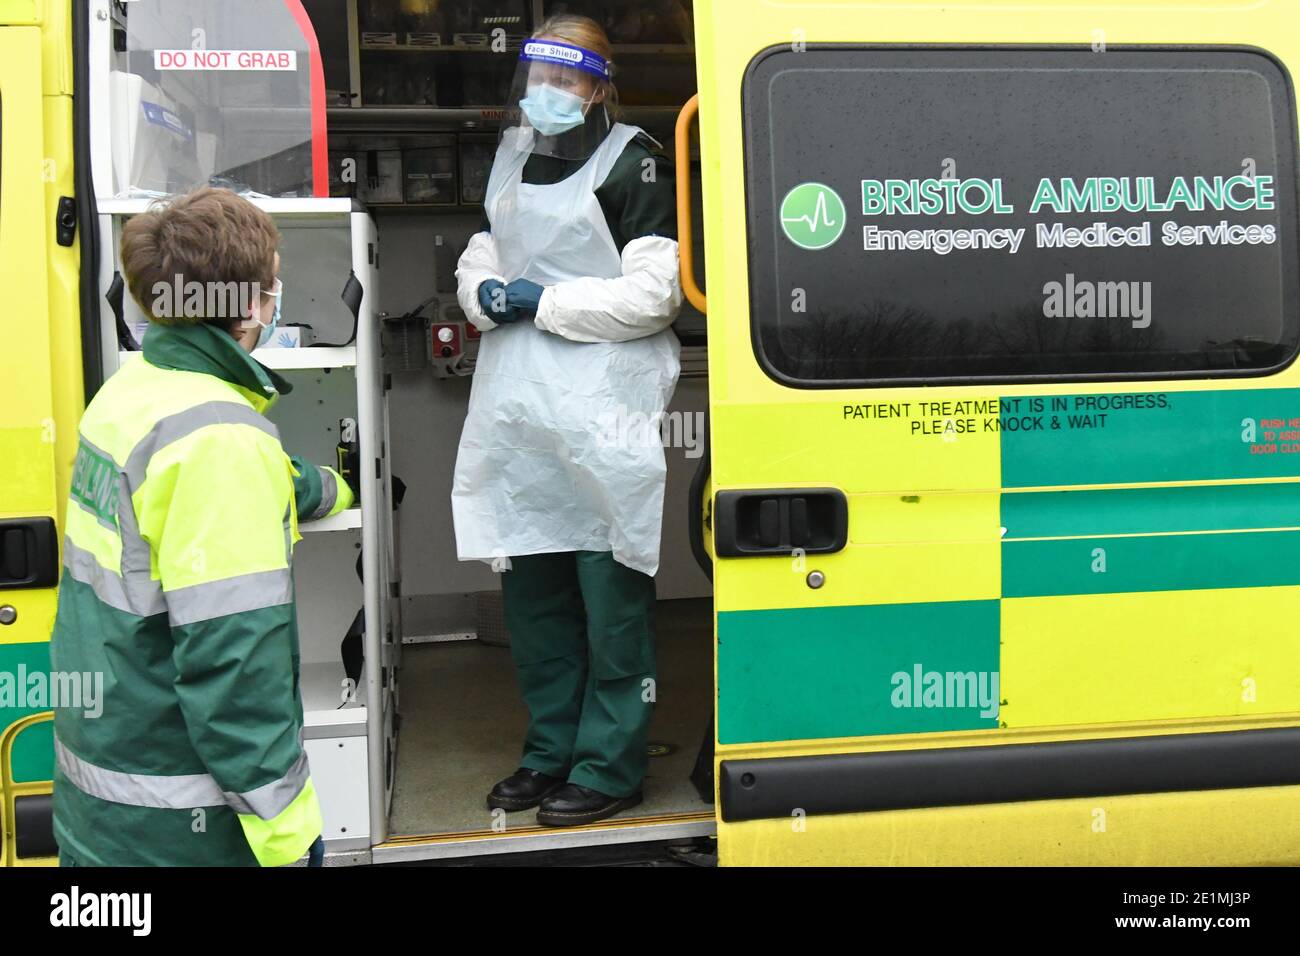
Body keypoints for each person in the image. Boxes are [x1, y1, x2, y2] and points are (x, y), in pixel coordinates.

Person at [50, 186, 353, 866]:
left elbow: (210, 493)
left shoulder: (131, 393)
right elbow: (233, 669)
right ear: (248, 308)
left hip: (103, 809)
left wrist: (325, 486)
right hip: (187, 830)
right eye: (273, 284)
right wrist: (285, 836)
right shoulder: (220, 441)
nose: (277, 299)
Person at [452, 14, 682, 827]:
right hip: (519, 406)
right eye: (539, 78)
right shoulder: (513, 152)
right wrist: (478, 288)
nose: (549, 94)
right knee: (537, 599)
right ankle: (550, 752)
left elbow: (654, 297)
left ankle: (609, 765)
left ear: (599, 84)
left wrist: (540, 301)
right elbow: (485, 244)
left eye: (568, 78)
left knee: (609, 594)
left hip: (601, 408)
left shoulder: (637, 164)